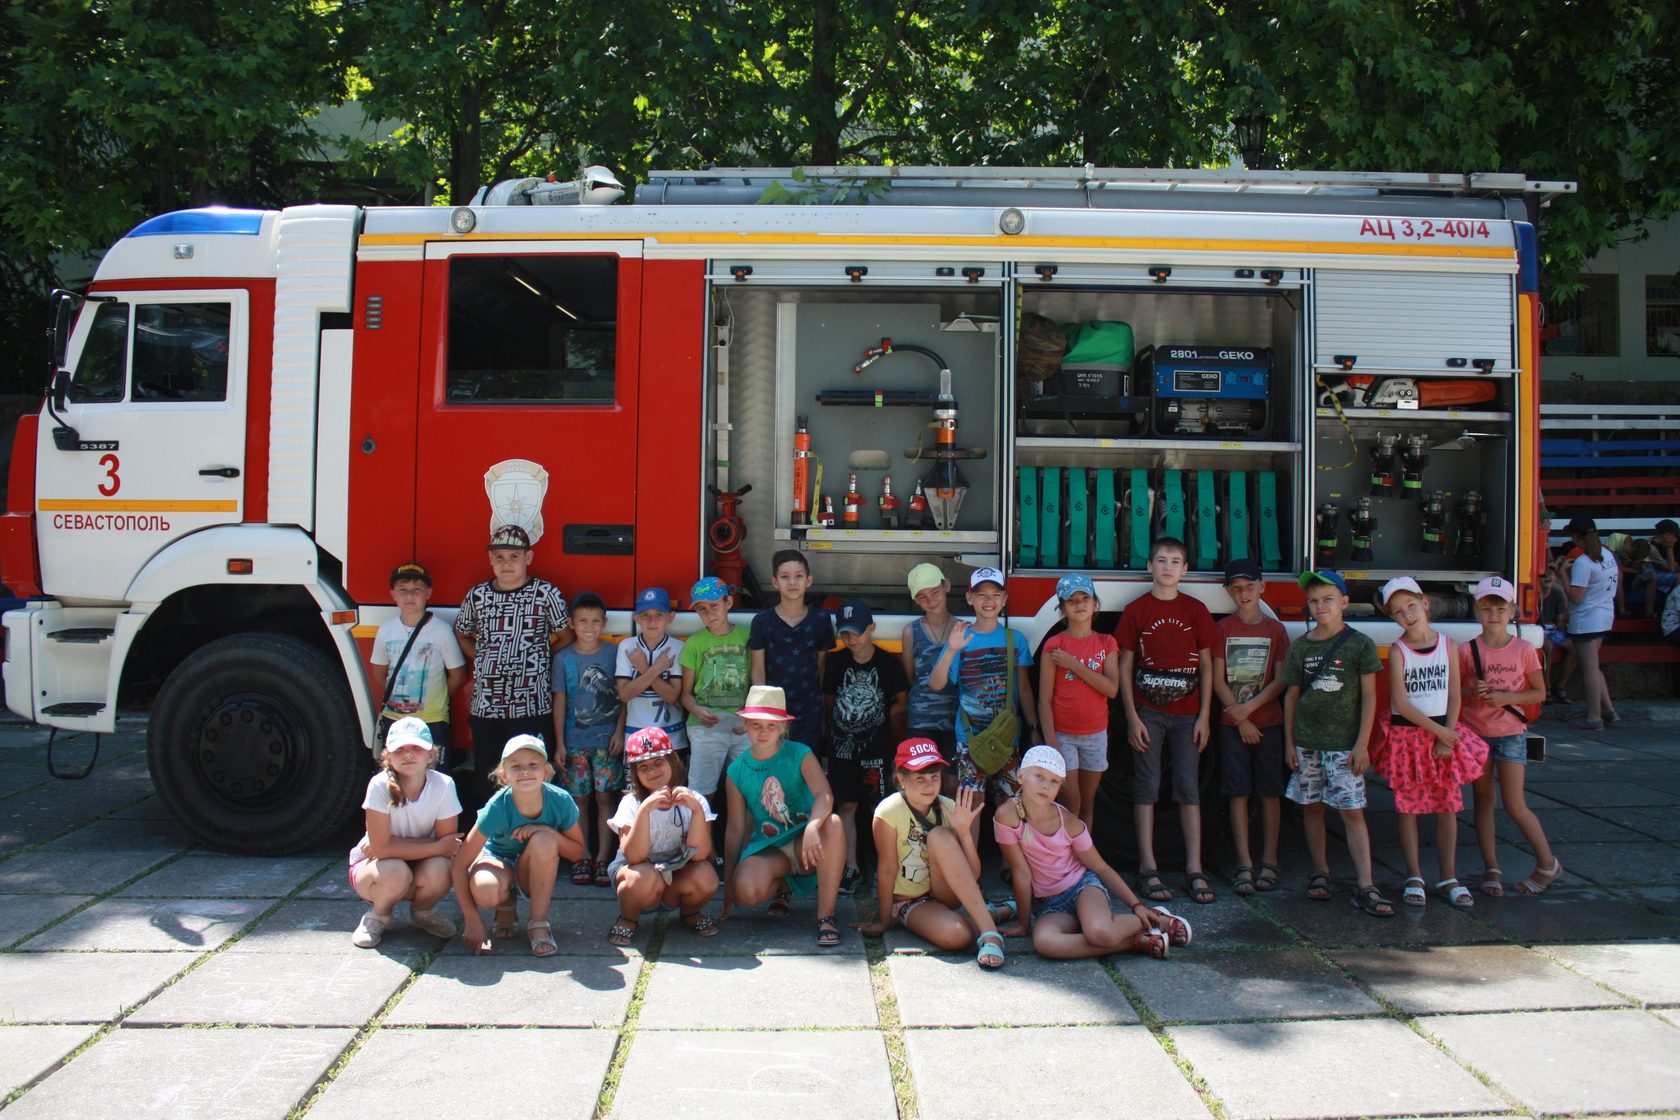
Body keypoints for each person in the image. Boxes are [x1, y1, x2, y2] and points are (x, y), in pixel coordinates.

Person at [994, 746, 1188, 960]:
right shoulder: (1006, 816)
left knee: (1100, 932)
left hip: (1082, 888)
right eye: (1039, 776)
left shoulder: (1069, 823)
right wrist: (1023, 924)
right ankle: (1135, 941)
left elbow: (1100, 867)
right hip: (1048, 903)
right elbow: (1021, 872)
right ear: (1021, 776)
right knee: (1045, 943)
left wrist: (1137, 905)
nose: (1046, 786)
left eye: (1054, 781)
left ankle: (1157, 919)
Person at [1115, 537, 1218, 905]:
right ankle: (1148, 867)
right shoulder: (1136, 610)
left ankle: (1194, 868)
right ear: (1150, 566)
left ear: (1185, 569)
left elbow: (1206, 664)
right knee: (1147, 785)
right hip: (1148, 714)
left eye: (1176, 561)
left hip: (1188, 715)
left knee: (1188, 787)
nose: (1168, 567)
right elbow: (1125, 665)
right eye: (1161, 560)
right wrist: (1130, 716)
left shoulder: (1196, 610)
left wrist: (1205, 715)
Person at [1282, 570, 1390, 917]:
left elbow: (1370, 698)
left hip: (1344, 745)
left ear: (1345, 602)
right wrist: (1289, 743)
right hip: (1307, 743)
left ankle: (1366, 884)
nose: (1320, 606)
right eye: (1313, 601)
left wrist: (1363, 745)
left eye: (1328, 599)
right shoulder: (1301, 647)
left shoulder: (1360, 644)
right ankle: (1320, 871)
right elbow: (1291, 697)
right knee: (1312, 807)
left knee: (1352, 811)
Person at [1376, 577, 1489, 909]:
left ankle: (1449, 876)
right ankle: (1414, 875)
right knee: (1408, 809)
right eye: (1398, 612)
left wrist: (1448, 734)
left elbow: (1455, 695)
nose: (1407, 615)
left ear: (1424, 603)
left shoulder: (1447, 645)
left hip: (1443, 736)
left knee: (1448, 808)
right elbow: (1402, 702)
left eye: (1410, 606)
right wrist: (1438, 733)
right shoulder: (1398, 651)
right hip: (1409, 737)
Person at [852, 738, 1014, 968]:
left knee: (939, 835)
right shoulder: (888, 812)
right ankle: (993, 914)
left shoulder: (948, 807)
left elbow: (972, 874)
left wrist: (965, 833)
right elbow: (887, 869)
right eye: (920, 778)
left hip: (946, 893)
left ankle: (989, 932)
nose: (929, 785)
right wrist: (884, 920)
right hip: (911, 900)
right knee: (958, 936)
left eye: (934, 777)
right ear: (901, 779)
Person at [454, 524, 573, 816]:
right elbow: (462, 632)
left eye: (514, 556)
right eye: (500, 557)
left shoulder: (546, 594)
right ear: (491, 560)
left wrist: (540, 659)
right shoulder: (478, 596)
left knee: (533, 775)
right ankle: (491, 839)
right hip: (488, 708)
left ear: (528, 558)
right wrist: (480, 656)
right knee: (490, 776)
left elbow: (566, 636)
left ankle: (535, 832)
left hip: (532, 706)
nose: (507, 563)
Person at [720, 685, 847, 947]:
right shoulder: (736, 770)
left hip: (807, 842)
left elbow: (825, 795)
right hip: (771, 848)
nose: (763, 731)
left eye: (771, 725)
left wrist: (813, 826)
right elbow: (734, 830)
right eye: (756, 724)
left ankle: (826, 916)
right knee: (747, 892)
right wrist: (728, 888)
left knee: (832, 823)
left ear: (783, 728)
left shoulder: (800, 753)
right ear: (744, 725)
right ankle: (782, 885)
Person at [1462, 577, 1563, 896]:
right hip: (1476, 734)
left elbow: (1539, 693)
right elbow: (1457, 695)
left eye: (1500, 607)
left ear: (1512, 612)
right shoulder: (1466, 650)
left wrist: (1506, 698)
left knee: (1515, 804)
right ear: (1476, 610)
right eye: (1487, 607)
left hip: (1510, 735)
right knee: (1482, 801)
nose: (1493, 613)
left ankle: (1548, 864)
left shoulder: (1523, 649)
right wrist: (1471, 692)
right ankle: (1491, 867)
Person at [451, 735, 586, 956]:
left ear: (546, 772)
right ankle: (505, 904)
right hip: (497, 860)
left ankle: (538, 922)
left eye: (533, 765)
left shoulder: (560, 801)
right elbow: (459, 865)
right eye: (516, 766)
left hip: (532, 867)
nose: (525, 771)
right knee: (485, 889)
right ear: (504, 776)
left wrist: (548, 831)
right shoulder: (496, 808)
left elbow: (577, 852)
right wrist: (472, 919)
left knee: (544, 840)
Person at [927, 567, 1038, 838]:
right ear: (969, 599)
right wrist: (952, 648)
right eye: (981, 595)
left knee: (1010, 804)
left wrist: (1034, 727)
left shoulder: (1015, 640)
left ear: (1004, 599)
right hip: (970, 737)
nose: (989, 601)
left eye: (995, 594)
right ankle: (969, 868)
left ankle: (1009, 866)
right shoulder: (961, 638)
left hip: (1007, 737)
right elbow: (937, 683)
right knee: (971, 805)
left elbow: (1024, 688)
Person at [1210, 557, 1290, 896]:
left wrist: (1250, 711)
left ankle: (1269, 860)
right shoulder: (1223, 629)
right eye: (1236, 588)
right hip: (1234, 726)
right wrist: (1238, 717)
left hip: (1268, 722)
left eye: (1249, 587)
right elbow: (1216, 677)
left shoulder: (1276, 630)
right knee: (1238, 792)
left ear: (1262, 587)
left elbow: (1282, 678)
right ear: (1229, 592)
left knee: (1271, 793)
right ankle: (1244, 863)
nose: (1244, 594)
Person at [348, 718, 464, 948]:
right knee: (396, 870)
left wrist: (394, 844)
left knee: (441, 867)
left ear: (431, 755)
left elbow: (447, 844)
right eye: (399, 749)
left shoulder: (444, 784)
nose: (408, 754)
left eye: (416, 748)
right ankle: (377, 916)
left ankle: (423, 913)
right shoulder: (379, 785)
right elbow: (381, 850)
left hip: (415, 863)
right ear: (388, 756)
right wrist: (435, 846)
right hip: (375, 871)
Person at [822, 598, 908, 896]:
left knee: (880, 807)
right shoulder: (836, 662)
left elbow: (901, 701)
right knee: (845, 804)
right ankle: (851, 867)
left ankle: (885, 865)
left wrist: (880, 720)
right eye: (845, 633)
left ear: (871, 628)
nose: (851, 639)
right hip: (841, 746)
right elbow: (830, 700)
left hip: (877, 749)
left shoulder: (886, 663)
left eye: (857, 632)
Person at [606, 727, 719, 945]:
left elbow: (701, 854)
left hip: (676, 873)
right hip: (640, 874)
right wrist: (644, 811)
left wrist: (696, 811)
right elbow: (634, 857)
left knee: (706, 875)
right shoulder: (631, 802)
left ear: (672, 760)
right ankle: (628, 917)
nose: (652, 771)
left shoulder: (694, 799)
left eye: (659, 762)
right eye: (643, 767)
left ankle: (690, 913)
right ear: (635, 774)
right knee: (642, 877)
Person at [552, 591, 625, 888]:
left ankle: (603, 858)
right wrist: (559, 742)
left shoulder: (613, 654)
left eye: (596, 621)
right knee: (578, 799)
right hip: (574, 741)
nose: (589, 626)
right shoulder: (563, 658)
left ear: (604, 623)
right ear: (571, 623)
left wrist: (619, 731)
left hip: (607, 740)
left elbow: (622, 696)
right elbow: (559, 701)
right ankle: (582, 854)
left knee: (606, 797)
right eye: (583, 621)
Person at [1036, 573, 1118, 831]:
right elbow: (1044, 699)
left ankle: (1083, 864)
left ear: (1095, 603)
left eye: (1085, 598)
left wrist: (1073, 664)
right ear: (1062, 608)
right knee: (1070, 800)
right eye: (1072, 600)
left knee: (1087, 805)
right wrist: (1052, 743)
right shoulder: (1055, 645)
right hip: (1064, 737)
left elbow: (1112, 689)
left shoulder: (1107, 643)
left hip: (1095, 735)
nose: (1080, 604)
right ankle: (1063, 862)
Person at [679, 576, 752, 855]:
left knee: (748, 793)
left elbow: (758, 680)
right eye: (701, 609)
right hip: (705, 727)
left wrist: (748, 718)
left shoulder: (747, 636)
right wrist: (698, 710)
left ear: (728, 602)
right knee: (701, 794)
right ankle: (702, 854)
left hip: (742, 728)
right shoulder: (695, 643)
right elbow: (686, 694)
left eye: (714, 605)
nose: (708, 613)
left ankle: (745, 853)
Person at [370, 561, 468, 761]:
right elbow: (379, 674)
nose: (409, 596)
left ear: (428, 593)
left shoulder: (441, 631)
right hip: (395, 719)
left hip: (432, 719)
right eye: (403, 590)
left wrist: (435, 699)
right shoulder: (385, 631)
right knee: (397, 774)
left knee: (434, 773)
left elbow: (458, 675)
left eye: (417, 590)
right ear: (393, 595)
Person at [750, 550, 835, 759]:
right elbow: (758, 669)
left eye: (798, 575)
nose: (792, 582)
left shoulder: (821, 620)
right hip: (773, 710)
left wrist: (823, 711)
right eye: (784, 576)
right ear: (774, 582)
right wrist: (759, 711)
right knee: (773, 767)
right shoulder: (762, 621)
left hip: (809, 709)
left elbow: (821, 667)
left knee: (806, 765)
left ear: (809, 580)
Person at [900, 563, 962, 795]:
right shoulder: (911, 632)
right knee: (924, 782)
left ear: (946, 585)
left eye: (935, 592)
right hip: (921, 721)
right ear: (916, 600)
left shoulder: (963, 629)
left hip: (955, 720)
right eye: (922, 596)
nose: (931, 600)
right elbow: (910, 678)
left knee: (951, 784)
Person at [1563, 516, 1619, 730]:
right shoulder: (1608, 555)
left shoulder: (1584, 563)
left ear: (1576, 537)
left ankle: (1594, 717)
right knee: (1594, 666)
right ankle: (1608, 710)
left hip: (1586, 618)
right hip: (1604, 614)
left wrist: (1562, 574)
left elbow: (1575, 597)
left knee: (1589, 669)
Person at [1538, 564, 1573, 701]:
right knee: (1547, 646)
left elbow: (1560, 619)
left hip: (1552, 630)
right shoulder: (1534, 593)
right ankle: (1545, 687)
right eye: (1544, 574)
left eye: (1550, 574)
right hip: (1536, 631)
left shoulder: (1558, 593)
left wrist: (1558, 625)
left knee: (1576, 649)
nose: (1548, 577)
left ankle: (1560, 686)